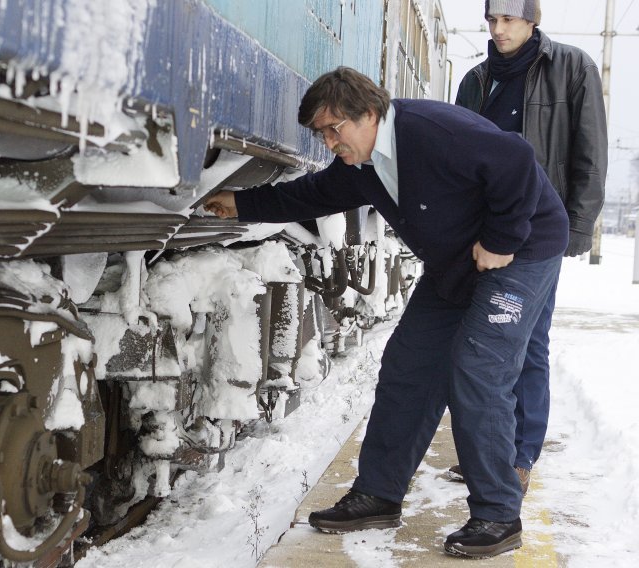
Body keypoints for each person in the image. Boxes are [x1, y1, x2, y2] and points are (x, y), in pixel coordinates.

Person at [205, 66, 568, 558]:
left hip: (519, 252)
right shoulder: (365, 164)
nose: (329, 141)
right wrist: (239, 203)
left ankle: (498, 515)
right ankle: (378, 494)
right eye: (320, 132)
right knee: (408, 366)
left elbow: (517, 160)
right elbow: (312, 194)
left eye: (335, 128)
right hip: (457, 262)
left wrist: (501, 238)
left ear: (370, 114)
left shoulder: (432, 132)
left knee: (478, 368)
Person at [452, 0, 608, 493]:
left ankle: (520, 455)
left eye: (509, 20)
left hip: (541, 228)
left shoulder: (572, 67)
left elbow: (590, 148)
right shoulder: (475, 82)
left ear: (532, 20)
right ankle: (489, 450)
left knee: (529, 341)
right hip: (486, 232)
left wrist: (579, 225)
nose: (498, 30)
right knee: (483, 341)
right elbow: (458, 159)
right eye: (492, 21)